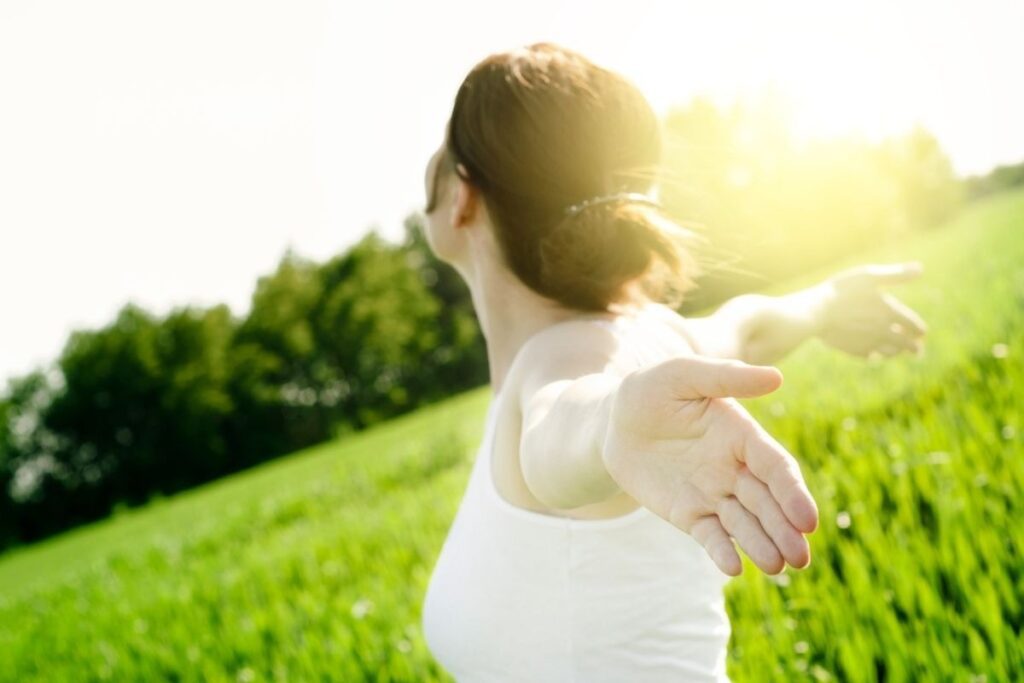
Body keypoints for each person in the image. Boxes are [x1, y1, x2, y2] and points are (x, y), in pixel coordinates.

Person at [418, 42, 927, 683]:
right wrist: (825, 303)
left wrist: (611, 425)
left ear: (463, 196)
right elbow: (748, 326)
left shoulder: (563, 362)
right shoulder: (650, 336)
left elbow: (560, 425)